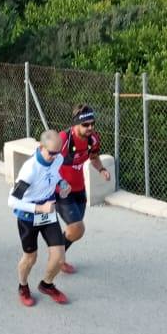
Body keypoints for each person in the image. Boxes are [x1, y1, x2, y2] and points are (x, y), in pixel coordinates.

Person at [8, 130, 71, 306]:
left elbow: (54, 173)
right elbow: (12, 201)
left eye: (58, 152)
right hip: (28, 216)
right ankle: (23, 286)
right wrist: (39, 208)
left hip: (48, 213)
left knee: (59, 257)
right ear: (40, 147)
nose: (55, 157)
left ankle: (47, 285)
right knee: (30, 258)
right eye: (51, 153)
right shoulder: (29, 169)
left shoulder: (57, 158)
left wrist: (62, 183)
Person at [55, 105, 111, 274]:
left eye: (92, 123)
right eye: (86, 125)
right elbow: (43, 160)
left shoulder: (92, 139)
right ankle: (57, 257)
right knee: (77, 228)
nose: (90, 128)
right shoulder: (63, 139)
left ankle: (58, 254)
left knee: (74, 230)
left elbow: (93, 157)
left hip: (80, 190)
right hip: (61, 192)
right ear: (76, 124)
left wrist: (101, 169)